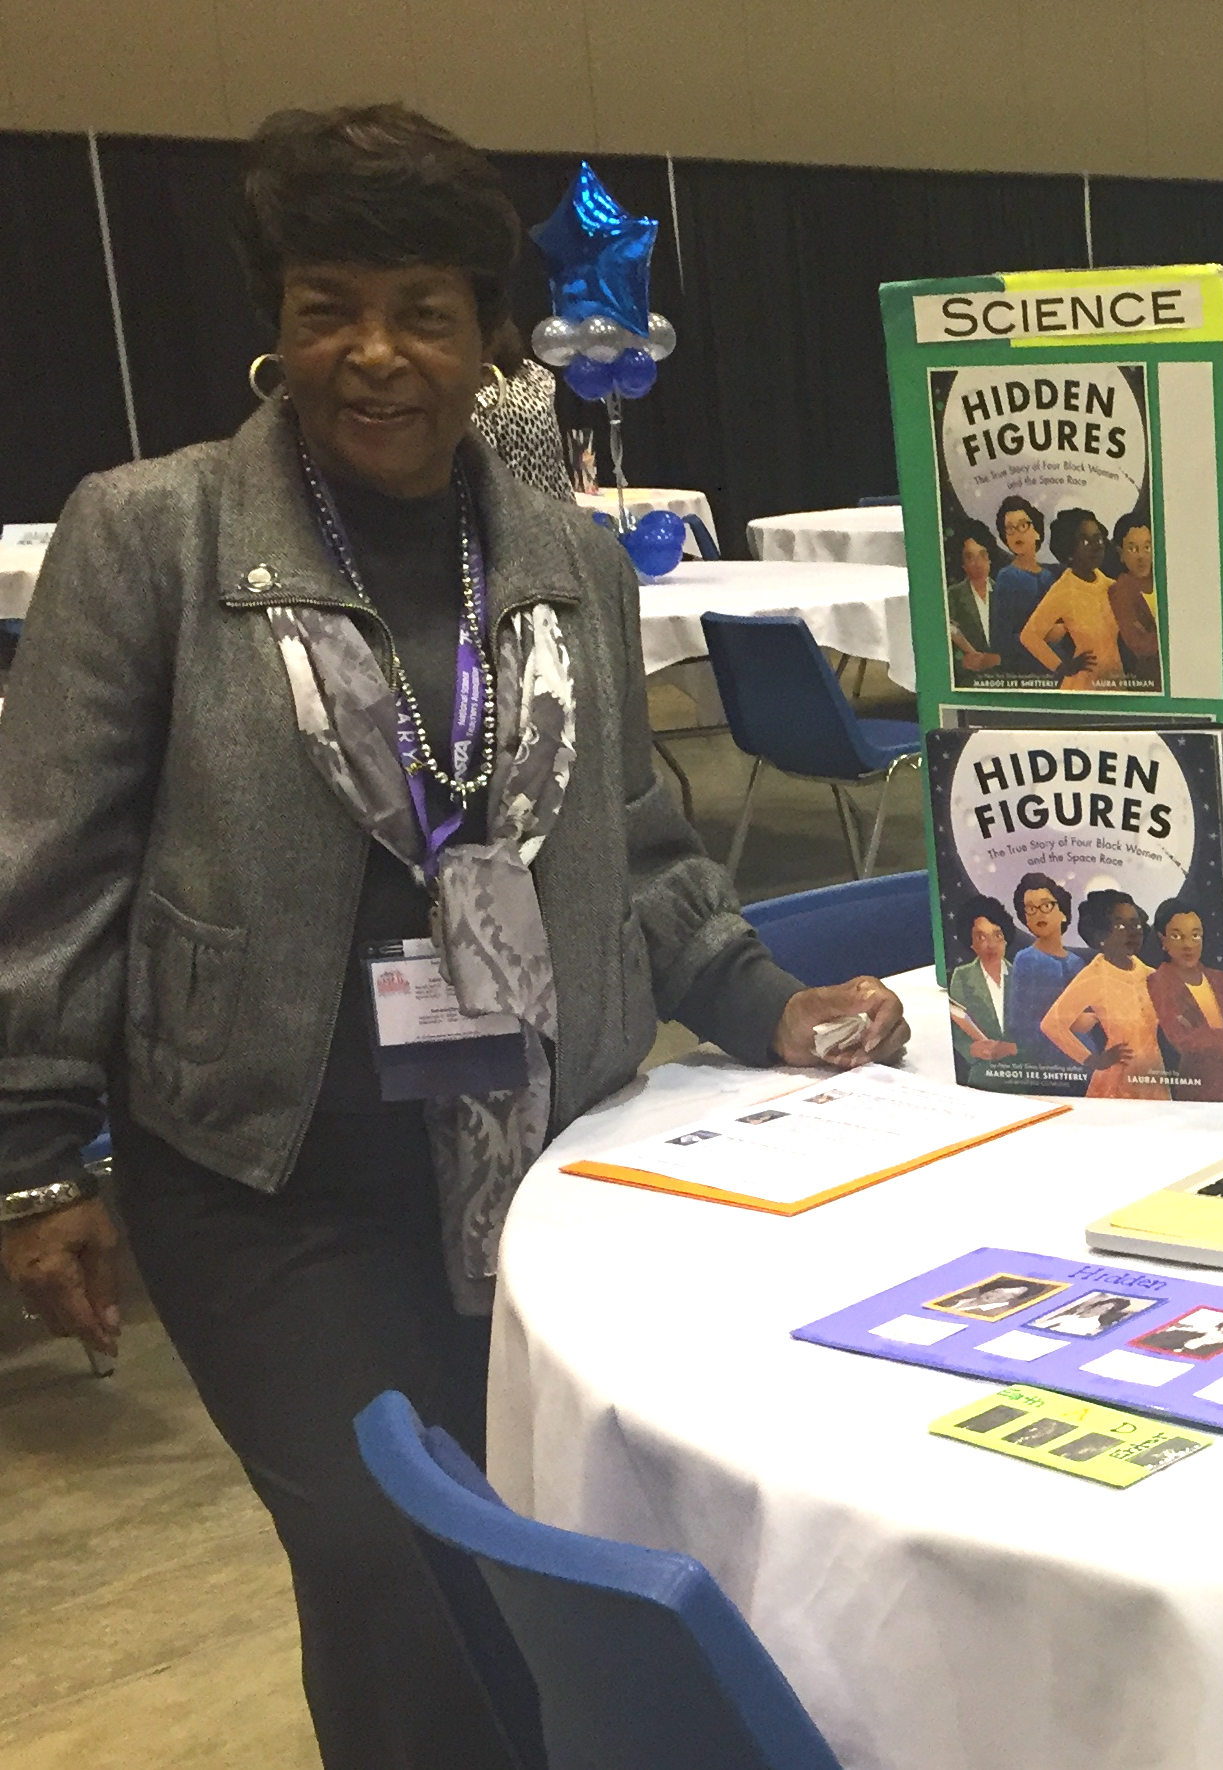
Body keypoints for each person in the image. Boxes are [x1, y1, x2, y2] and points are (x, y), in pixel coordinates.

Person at [0, 105, 906, 1770]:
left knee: (546, 1533)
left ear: (489, 335)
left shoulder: (561, 548)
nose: (373, 353)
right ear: (272, 324)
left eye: (420, 311)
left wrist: (765, 1000)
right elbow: (43, 870)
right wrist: (37, 1157)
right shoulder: (154, 535)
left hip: (529, 1151)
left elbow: (631, 836)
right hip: (269, 1173)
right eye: (325, 303)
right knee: (378, 1552)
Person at [1038, 888, 1168, 1098]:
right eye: (1120, 925)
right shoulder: (1095, 977)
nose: (1133, 931)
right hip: (1117, 1085)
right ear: (1101, 935)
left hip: (1154, 1077)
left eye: (1136, 924)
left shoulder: (1150, 975)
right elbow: (1052, 1024)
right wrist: (1093, 1060)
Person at [1019, 507, 1125, 688]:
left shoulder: (1110, 585)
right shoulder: (1063, 591)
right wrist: (1062, 667)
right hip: (1084, 689)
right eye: (1085, 541)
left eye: (1098, 538)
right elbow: (1029, 636)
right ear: (1069, 550)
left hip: (1117, 684)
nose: (1097, 545)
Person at [1145, 897, 1223, 1102]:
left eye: (1195, 936)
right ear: (1163, 941)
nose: (1188, 945)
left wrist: (1208, 1035)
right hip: (1197, 1087)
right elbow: (1182, 1039)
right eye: (1177, 936)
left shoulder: (1220, 979)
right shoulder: (1158, 982)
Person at [468, 320, 568, 501]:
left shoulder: (479, 396)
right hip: (556, 507)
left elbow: (482, 466)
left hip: (510, 514)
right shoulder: (537, 377)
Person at [1001, 872, 1085, 1071]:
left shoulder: (1077, 963)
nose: (1038, 913)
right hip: (1046, 1062)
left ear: (1063, 912)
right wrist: (1069, 1023)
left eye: (1046, 905)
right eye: (1030, 909)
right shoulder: (1025, 960)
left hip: (1083, 1057)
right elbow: (1019, 1025)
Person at [987, 496, 1063, 680]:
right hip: (1029, 672)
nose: (1016, 534)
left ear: (1037, 532)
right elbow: (1001, 640)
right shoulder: (1007, 577)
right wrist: (1043, 636)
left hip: (1061, 670)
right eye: (1009, 529)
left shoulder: (1050, 576)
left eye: (1022, 526)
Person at [946, 900, 1020, 1070]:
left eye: (997, 935)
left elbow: (1036, 1033)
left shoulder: (1021, 975)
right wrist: (972, 1049)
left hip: (1024, 1072)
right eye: (981, 937)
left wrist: (1010, 1049)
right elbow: (957, 1031)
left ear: (1006, 938)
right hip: (983, 1073)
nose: (992, 944)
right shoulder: (962, 976)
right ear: (971, 943)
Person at [1108, 511, 1160, 685]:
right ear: (1120, 553)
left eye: (1147, 547)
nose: (1142, 557)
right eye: (1132, 549)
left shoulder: (1165, 580)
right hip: (1152, 680)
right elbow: (1139, 643)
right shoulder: (1120, 590)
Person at [948, 526, 1004, 674]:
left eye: (983, 555)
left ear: (990, 560)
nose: (978, 563)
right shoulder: (952, 595)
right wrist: (962, 662)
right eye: (970, 557)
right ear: (963, 564)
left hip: (1004, 676)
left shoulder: (1005, 594)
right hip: (966, 678)